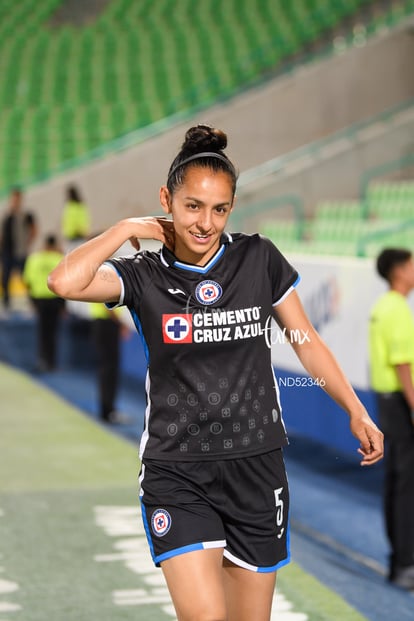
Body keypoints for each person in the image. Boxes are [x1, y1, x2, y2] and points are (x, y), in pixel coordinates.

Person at [48, 124, 383, 621]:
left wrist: (354, 408)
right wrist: (124, 230)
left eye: (220, 209)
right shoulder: (144, 275)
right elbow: (63, 281)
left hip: (256, 467)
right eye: (192, 206)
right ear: (167, 199)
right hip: (177, 469)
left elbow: (305, 341)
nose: (206, 223)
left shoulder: (258, 258)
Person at [368, 248, 414, 591]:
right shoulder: (397, 310)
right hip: (399, 404)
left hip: (387, 402)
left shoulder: (382, 306)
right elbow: (403, 366)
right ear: (399, 272)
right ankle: (405, 565)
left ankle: (399, 562)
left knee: (397, 485)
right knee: (406, 486)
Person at [23, 234, 65, 372]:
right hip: (55, 300)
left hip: (39, 299)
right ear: (54, 245)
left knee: (42, 332)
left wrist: (31, 300)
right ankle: (52, 363)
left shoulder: (34, 258)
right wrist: (63, 306)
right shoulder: (59, 259)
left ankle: (42, 361)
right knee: (52, 333)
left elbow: (27, 280)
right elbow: (65, 283)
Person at [89, 302, 131, 424]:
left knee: (107, 368)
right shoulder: (104, 282)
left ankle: (107, 410)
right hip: (107, 324)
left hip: (103, 324)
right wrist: (121, 324)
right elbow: (107, 306)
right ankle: (108, 411)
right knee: (109, 370)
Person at [0, 187, 37, 310]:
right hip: (7, 252)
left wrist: (27, 243)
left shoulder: (25, 215)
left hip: (20, 252)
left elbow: (34, 230)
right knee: (5, 279)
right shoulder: (7, 216)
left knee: (26, 278)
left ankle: (32, 301)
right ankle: (6, 303)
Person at [61, 184, 90, 250]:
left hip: (76, 236)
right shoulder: (78, 206)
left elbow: (75, 221)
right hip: (75, 236)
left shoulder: (72, 207)